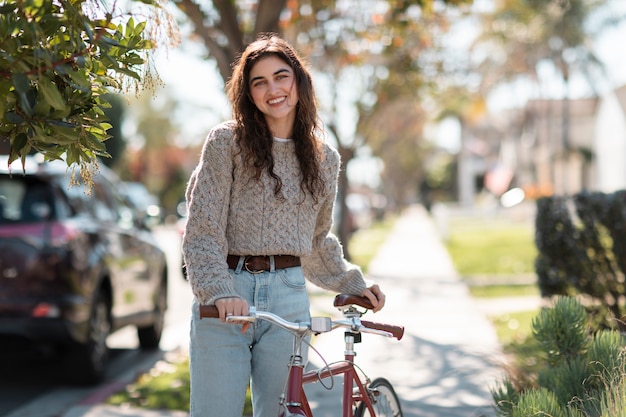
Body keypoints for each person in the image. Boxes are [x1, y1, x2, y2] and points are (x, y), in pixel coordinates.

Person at [182, 33, 386, 417]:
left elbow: (316, 242)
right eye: (259, 82)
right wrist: (217, 289)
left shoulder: (325, 160)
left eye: (281, 76)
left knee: (282, 413)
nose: (272, 89)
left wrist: (354, 285)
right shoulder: (227, 143)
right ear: (249, 93)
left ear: (299, 82)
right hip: (227, 295)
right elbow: (203, 228)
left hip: (289, 298)